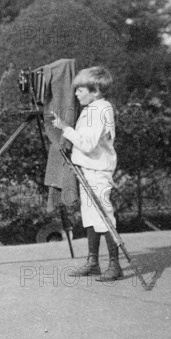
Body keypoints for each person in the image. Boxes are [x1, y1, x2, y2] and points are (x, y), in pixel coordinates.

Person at [51, 66, 123, 282]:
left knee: (104, 216)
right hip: (87, 169)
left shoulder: (101, 109)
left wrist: (65, 128)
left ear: (96, 90)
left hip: (98, 171)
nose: (76, 94)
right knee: (92, 217)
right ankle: (93, 262)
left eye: (80, 90)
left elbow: (89, 144)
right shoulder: (92, 108)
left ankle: (115, 265)